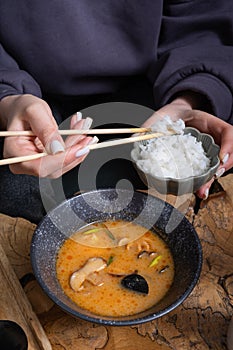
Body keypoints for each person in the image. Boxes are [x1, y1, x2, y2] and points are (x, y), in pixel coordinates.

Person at [0, 1, 233, 223]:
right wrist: (7, 97)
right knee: (16, 193)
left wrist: (186, 101)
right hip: (27, 86)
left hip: (157, 82)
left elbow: (203, 20)